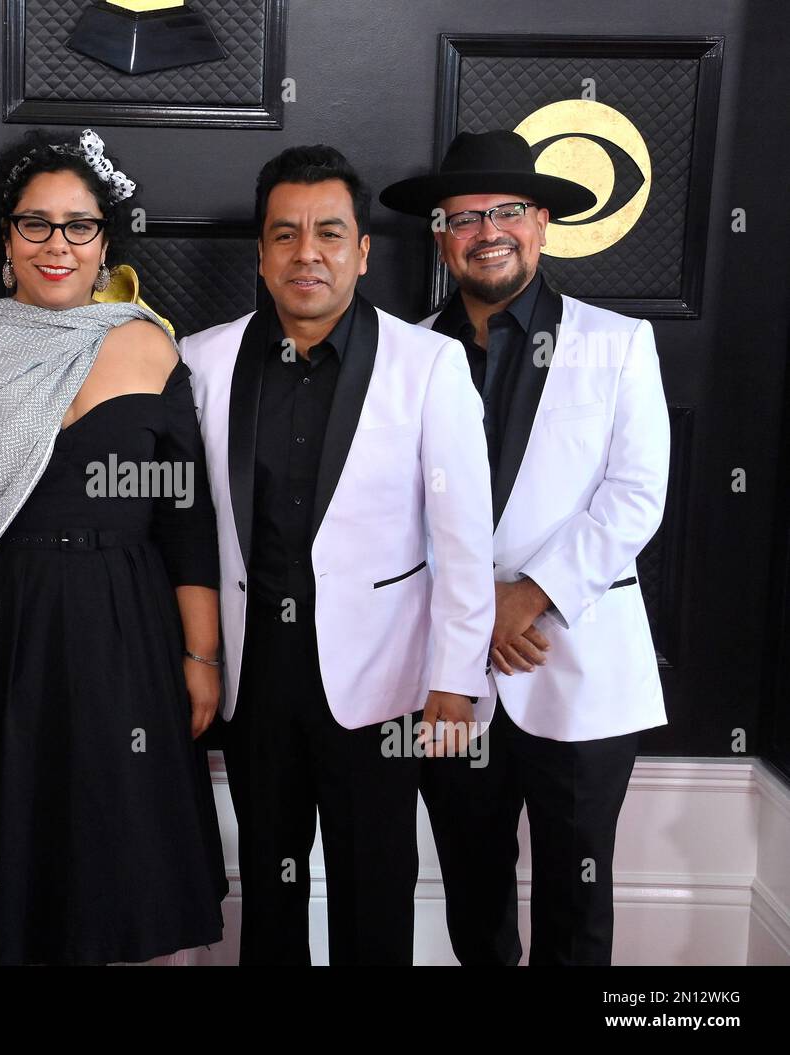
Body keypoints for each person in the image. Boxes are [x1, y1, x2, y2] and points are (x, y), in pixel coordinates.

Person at [0, 128, 228, 965]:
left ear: (105, 243)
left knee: (107, 860)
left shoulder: (150, 346)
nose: (58, 245)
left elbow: (184, 516)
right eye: (36, 224)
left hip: (123, 641)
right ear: (6, 240)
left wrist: (201, 656)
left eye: (79, 226)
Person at [179, 145, 496, 964]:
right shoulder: (203, 360)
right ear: (261, 252)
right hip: (255, 676)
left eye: (328, 233)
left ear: (361, 249)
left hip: (383, 681)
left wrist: (457, 681)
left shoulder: (429, 364)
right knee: (270, 888)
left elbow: (464, 538)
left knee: (374, 891)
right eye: (285, 235)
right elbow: (186, 526)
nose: (306, 252)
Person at [380, 129, 670, 965]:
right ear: (440, 236)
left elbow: (636, 495)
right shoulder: (404, 355)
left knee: (578, 899)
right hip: (448, 674)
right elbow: (384, 514)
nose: (487, 230)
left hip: (575, 661)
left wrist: (528, 593)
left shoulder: (617, 345)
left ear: (542, 223)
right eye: (463, 217)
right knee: (472, 888)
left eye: (507, 211)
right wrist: (472, 613)